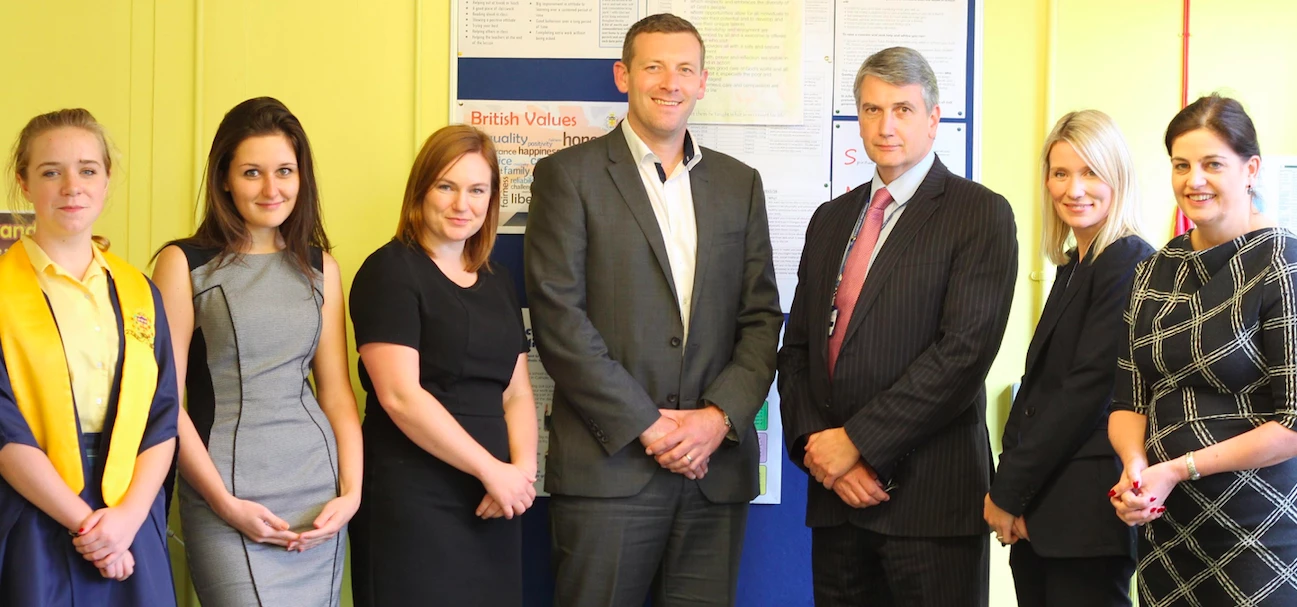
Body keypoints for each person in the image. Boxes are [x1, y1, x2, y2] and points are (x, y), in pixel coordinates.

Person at [524, 12, 782, 607]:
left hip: (713, 477)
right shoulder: (568, 177)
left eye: (684, 69)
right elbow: (560, 321)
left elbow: (762, 318)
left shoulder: (740, 184)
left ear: (702, 81)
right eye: (654, 67)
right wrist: (651, 426)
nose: (670, 82)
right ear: (624, 76)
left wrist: (716, 420)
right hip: (608, 471)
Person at [778, 46, 1017, 607]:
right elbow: (799, 351)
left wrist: (858, 444)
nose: (886, 126)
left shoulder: (979, 213)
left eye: (903, 110)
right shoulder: (832, 218)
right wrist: (822, 449)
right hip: (837, 502)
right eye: (872, 109)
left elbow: (962, 354)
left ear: (934, 119)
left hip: (929, 505)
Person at [152, 97, 361, 606]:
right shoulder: (183, 263)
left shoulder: (321, 268)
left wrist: (351, 495)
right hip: (225, 492)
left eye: (285, 171)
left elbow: (336, 396)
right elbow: (166, 402)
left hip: (317, 492)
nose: (272, 189)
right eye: (252, 172)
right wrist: (223, 503)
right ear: (224, 178)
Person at [1109, 94, 1297, 606]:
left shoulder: (1283, 261)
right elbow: (1128, 399)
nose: (1194, 180)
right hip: (1168, 531)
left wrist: (1175, 468)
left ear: (1250, 169)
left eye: (1213, 164)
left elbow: (1293, 423)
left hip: (1257, 532)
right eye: (1181, 165)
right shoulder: (1153, 267)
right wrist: (1136, 469)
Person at [348, 125, 537, 607]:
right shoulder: (389, 271)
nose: (462, 204)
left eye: (477, 190)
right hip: (414, 500)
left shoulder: (497, 281)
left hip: (495, 504)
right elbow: (400, 396)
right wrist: (492, 470)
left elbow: (516, 392)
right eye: (446, 187)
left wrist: (521, 473)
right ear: (421, 191)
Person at [0, 108, 178, 605]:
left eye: (87, 169)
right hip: (32, 505)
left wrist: (124, 523)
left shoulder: (139, 291)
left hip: (129, 504)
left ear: (106, 178)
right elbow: (3, 425)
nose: (71, 186)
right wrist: (89, 528)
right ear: (24, 183)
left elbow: (162, 415)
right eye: (50, 171)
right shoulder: (2, 291)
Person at [984, 110, 1151, 607]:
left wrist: (1007, 492)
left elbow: (1085, 391)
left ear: (1117, 178)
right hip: (1047, 511)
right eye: (1060, 173)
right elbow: (1039, 390)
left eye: (1090, 172)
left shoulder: (1126, 260)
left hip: (1084, 518)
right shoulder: (1077, 264)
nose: (1073, 189)